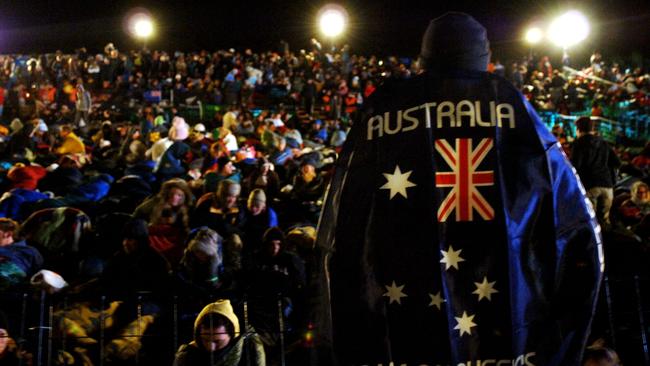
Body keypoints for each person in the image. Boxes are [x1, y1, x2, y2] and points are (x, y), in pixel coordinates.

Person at [313, 12, 602, 365]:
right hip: (506, 335)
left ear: (425, 55)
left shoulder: (382, 109)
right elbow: (576, 228)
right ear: (485, 55)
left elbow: (340, 226)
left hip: (401, 325)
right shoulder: (512, 105)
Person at [173, 299, 265, 366]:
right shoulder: (187, 357)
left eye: (217, 341)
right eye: (205, 339)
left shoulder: (249, 352)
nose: (211, 347)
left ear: (232, 335)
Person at [571, 116, 621, 227]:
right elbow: (617, 162)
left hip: (590, 186)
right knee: (604, 222)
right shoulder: (604, 143)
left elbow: (574, 167)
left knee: (591, 223)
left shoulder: (578, 144)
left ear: (578, 129)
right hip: (607, 187)